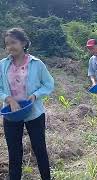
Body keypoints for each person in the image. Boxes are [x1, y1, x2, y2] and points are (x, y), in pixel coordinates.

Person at [0, 28, 54, 180]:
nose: (10, 47)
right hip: (11, 114)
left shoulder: (36, 63)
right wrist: (8, 98)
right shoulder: (2, 65)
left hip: (34, 113)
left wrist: (36, 95)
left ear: (23, 43)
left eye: (14, 42)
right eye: (7, 44)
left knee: (40, 150)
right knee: (14, 154)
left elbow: (48, 84)